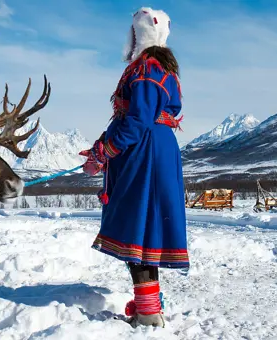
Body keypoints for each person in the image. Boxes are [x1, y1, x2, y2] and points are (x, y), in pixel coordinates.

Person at [79, 7, 189, 328]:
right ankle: (149, 305)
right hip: (156, 150)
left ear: (137, 36)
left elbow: (136, 122)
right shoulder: (163, 72)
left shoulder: (144, 71)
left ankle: (149, 313)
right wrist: (101, 145)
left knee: (136, 230)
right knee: (145, 230)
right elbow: (131, 120)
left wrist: (104, 153)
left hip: (144, 155)